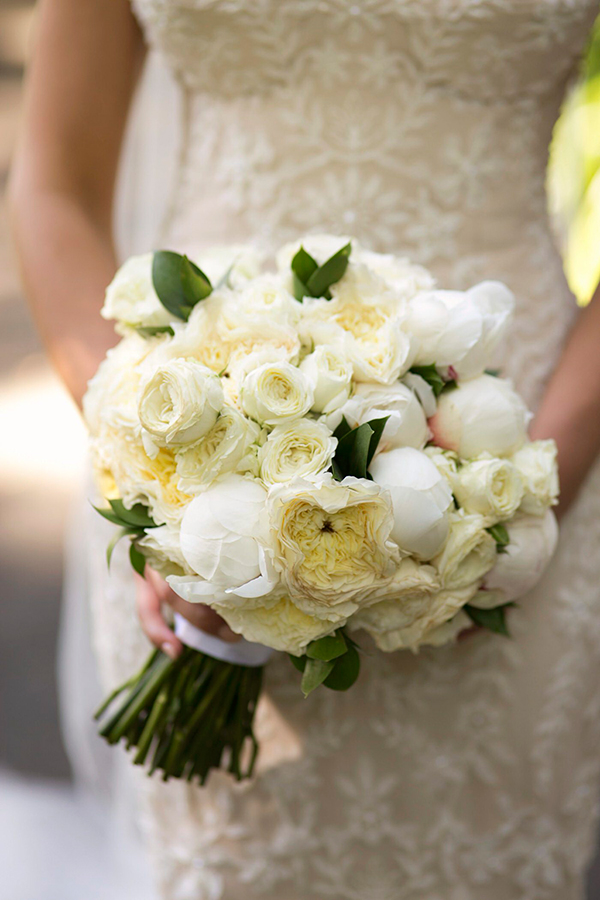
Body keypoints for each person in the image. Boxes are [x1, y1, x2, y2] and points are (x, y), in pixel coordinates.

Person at [9, 1, 600, 897]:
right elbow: (55, 185)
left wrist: (517, 498)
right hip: (199, 449)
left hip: (521, 454)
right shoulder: (179, 495)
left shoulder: (519, 498)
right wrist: (159, 480)